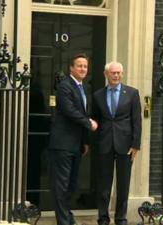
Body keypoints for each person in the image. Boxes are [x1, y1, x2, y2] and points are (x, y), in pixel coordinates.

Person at [48, 53, 98, 225]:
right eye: (79, 65)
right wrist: (89, 123)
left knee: (71, 185)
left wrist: (85, 141)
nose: (83, 68)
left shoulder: (82, 88)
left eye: (85, 66)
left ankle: (67, 216)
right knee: (61, 185)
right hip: (62, 144)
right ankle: (64, 221)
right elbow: (70, 111)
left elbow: (82, 112)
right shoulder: (65, 86)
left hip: (76, 145)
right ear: (71, 68)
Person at [92, 62, 142, 225]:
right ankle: (103, 217)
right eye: (113, 73)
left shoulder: (132, 93)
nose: (116, 76)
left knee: (123, 184)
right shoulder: (98, 95)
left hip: (126, 145)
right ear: (106, 74)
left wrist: (136, 144)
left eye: (119, 73)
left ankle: (121, 218)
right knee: (104, 184)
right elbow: (95, 120)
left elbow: (137, 120)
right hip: (104, 143)